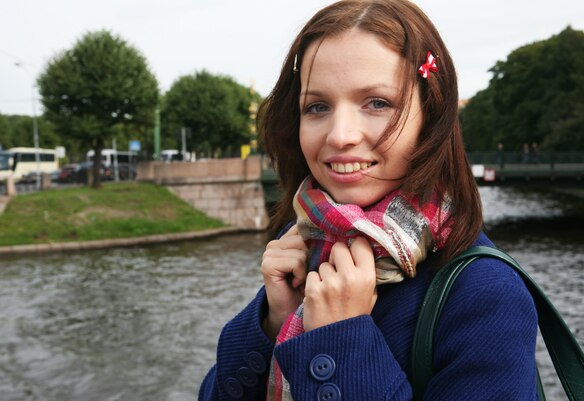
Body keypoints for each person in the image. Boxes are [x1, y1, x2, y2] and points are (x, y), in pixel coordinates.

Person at [198, 1, 538, 400]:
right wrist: (273, 321)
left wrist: (339, 338)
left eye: (377, 103)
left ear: (431, 113)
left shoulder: (486, 293)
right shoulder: (312, 243)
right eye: (317, 106)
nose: (340, 135)